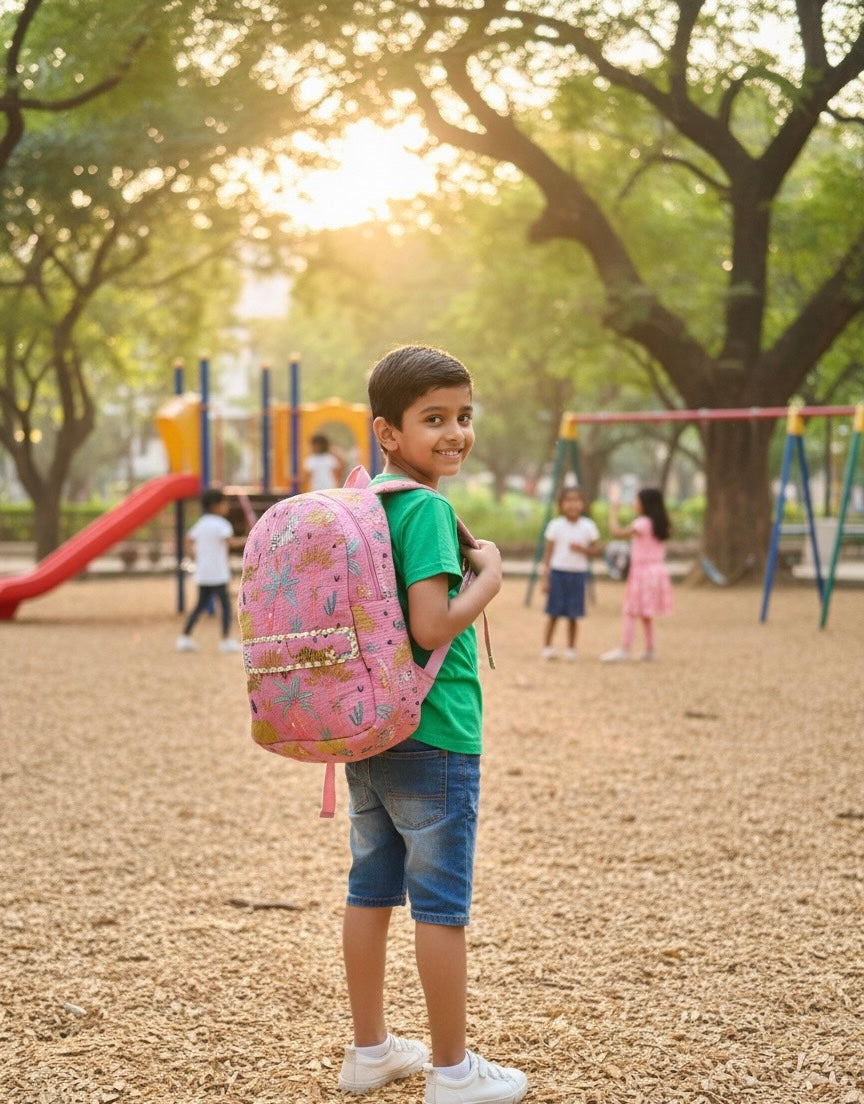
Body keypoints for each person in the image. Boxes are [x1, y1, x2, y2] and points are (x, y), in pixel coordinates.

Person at [337, 345, 528, 1104]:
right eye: (434, 419)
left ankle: (371, 1051)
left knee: (370, 892)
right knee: (442, 906)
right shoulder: (426, 509)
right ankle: (453, 1073)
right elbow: (432, 619)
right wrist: (492, 577)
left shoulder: (368, 503)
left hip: (371, 726)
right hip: (436, 729)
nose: (455, 433)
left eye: (463, 417)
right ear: (388, 431)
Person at [600, 485, 673, 662]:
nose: (634, 503)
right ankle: (649, 648)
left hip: (642, 573)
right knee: (646, 613)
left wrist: (614, 510)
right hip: (657, 572)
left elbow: (616, 532)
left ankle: (625, 648)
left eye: (636, 500)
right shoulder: (661, 524)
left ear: (644, 504)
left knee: (630, 610)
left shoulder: (642, 524)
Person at [175, 486, 242, 653]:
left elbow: (188, 541)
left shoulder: (201, 523)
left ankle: (185, 637)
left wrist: (194, 555)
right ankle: (225, 640)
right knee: (226, 607)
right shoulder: (222, 524)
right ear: (215, 505)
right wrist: (247, 539)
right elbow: (230, 543)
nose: (226, 506)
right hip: (218, 574)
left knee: (199, 606)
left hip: (204, 573)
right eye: (224, 503)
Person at [540, 485, 601, 660]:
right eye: (568, 501)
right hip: (558, 573)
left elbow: (596, 550)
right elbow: (548, 553)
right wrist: (546, 577)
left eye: (576, 500)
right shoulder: (555, 526)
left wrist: (582, 549)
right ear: (561, 504)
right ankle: (547, 647)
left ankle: (571, 648)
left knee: (574, 614)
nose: (572, 505)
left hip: (577, 575)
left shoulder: (588, 526)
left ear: (582, 504)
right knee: (553, 613)